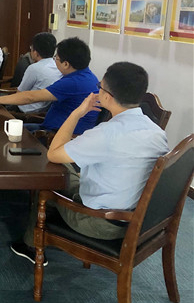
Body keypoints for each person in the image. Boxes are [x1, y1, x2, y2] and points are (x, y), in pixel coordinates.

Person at [10, 62, 169, 263]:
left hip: (102, 222)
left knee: (49, 174)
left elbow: (53, 154)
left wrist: (77, 112)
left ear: (107, 97)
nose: (97, 91)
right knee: (67, 169)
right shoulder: (157, 132)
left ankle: (30, 245)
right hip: (139, 219)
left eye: (99, 87)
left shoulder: (106, 134)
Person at [0, 37, 99, 135]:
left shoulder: (73, 82)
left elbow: (30, 97)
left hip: (56, 135)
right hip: (52, 127)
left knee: (4, 133)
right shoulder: (89, 76)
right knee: (8, 129)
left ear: (66, 64)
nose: (55, 61)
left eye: (56, 59)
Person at [10, 32, 62, 114]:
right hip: (46, 112)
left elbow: (19, 94)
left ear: (35, 52)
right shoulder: (59, 67)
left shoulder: (34, 68)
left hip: (27, 112)